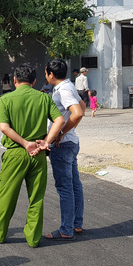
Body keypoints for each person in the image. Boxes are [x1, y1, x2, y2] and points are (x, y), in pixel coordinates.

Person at [0, 64, 64, 247]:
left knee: (7, 195)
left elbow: (4, 127)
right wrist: (47, 141)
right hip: (39, 154)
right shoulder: (44, 98)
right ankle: (33, 238)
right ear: (34, 81)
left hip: (16, 154)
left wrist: (25, 143)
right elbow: (60, 120)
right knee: (36, 197)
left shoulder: (6, 99)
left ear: (15, 80)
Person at [43, 59, 86, 241]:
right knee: (74, 184)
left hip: (63, 145)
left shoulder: (64, 90)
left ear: (51, 74)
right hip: (71, 142)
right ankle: (76, 224)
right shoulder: (68, 86)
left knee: (65, 187)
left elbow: (78, 112)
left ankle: (66, 229)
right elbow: (83, 106)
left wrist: (61, 132)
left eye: (46, 73)